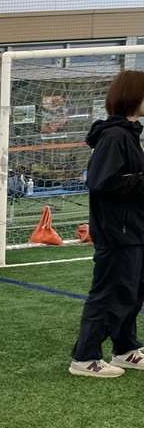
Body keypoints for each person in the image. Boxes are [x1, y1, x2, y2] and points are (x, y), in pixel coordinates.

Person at [69, 70, 144, 378]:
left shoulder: (128, 133)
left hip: (133, 230)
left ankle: (125, 348)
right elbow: (102, 182)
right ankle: (85, 356)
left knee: (133, 291)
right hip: (117, 232)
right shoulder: (114, 136)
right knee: (110, 292)